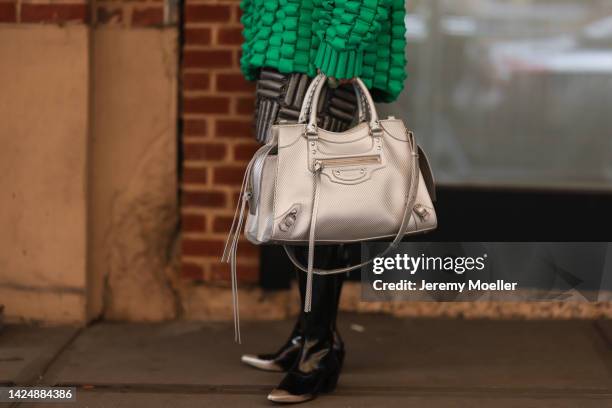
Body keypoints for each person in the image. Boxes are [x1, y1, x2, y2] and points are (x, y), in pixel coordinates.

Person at [237, 0, 407, 403]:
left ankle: (319, 350)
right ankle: (308, 336)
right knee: (294, 204)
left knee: (321, 210)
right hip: (285, 54)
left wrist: (340, 49)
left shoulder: (328, 56)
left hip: (319, 62)